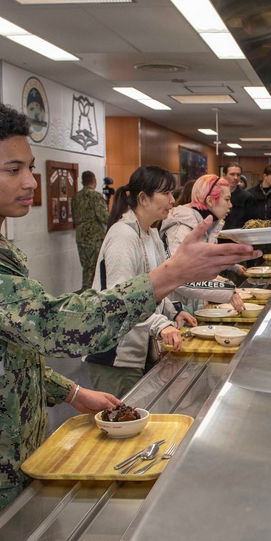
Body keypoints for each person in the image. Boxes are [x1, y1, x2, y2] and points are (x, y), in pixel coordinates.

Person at [0, 99, 256, 541]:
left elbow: (3, 351)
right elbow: (52, 327)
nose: (30, 182)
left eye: (29, 168)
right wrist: (168, 276)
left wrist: (71, 392)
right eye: (13, 170)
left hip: (11, 452)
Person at [85, 166, 198, 396]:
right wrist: (160, 324)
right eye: (166, 193)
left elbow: (153, 287)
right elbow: (121, 298)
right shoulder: (123, 236)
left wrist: (173, 311)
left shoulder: (151, 234)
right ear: (143, 199)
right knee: (123, 417)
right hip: (114, 356)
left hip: (137, 349)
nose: (172, 200)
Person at [161, 174, 246, 313]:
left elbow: (200, 274)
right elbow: (178, 278)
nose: (230, 205)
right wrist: (227, 291)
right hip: (175, 314)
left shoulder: (208, 228)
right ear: (210, 201)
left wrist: (227, 285)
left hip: (192, 311)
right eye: (227, 199)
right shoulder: (180, 230)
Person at [71, 170, 108, 291]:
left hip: (80, 237)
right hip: (94, 237)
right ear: (95, 181)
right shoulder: (96, 196)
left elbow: (74, 217)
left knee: (86, 267)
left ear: (82, 182)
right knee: (95, 268)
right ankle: (90, 293)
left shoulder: (76, 197)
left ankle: (85, 290)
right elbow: (103, 217)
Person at [222, 162, 254, 230]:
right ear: (224, 175)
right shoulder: (216, 195)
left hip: (240, 234)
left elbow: (252, 223)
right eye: (232, 174)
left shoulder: (248, 198)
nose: (235, 178)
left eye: (238, 175)